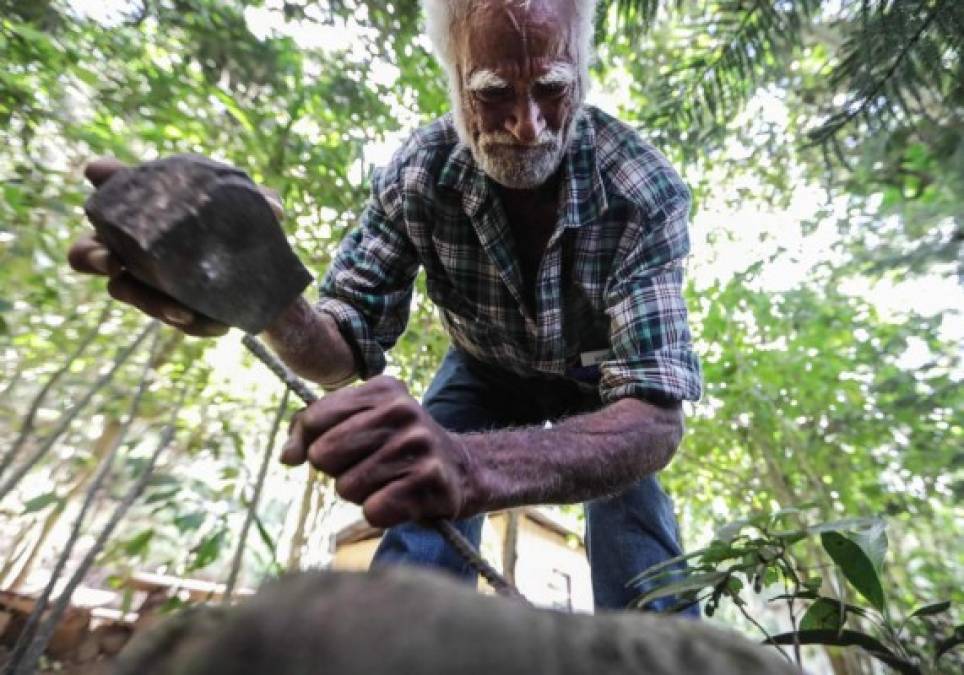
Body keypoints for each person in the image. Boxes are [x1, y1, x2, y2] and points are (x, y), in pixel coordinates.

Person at [68, 0, 701, 611]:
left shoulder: (642, 191)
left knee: (636, 521)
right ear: (453, 81)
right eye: (493, 93)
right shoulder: (418, 176)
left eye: (552, 87)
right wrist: (263, 296)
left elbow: (653, 416)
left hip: (598, 378)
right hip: (482, 364)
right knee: (419, 501)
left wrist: (473, 466)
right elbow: (340, 349)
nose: (527, 124)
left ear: (583, 73)